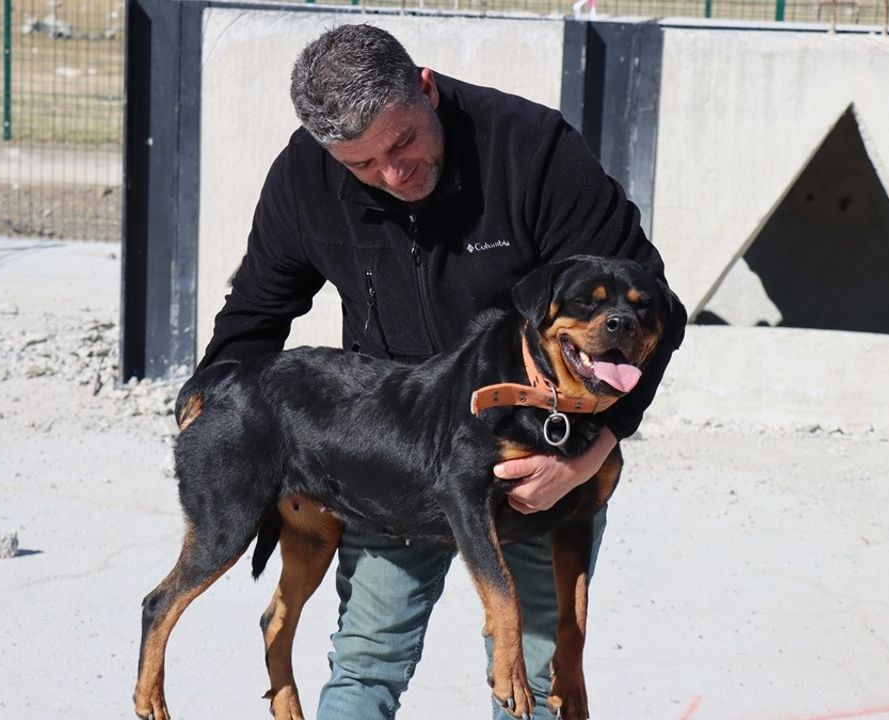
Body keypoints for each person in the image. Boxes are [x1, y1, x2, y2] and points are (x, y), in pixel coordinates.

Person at [194, 23, 672, 720]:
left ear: (425, 89)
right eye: (363, 164)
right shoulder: (304, 176)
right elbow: (255, 315)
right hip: (393, 447)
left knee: (540, 677)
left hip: (540, 459)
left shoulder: (531, 148)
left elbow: (646, 304)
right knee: (366, 661)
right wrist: (214, 416)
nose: (393, 174)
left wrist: (592, 449)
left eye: (403, 143)